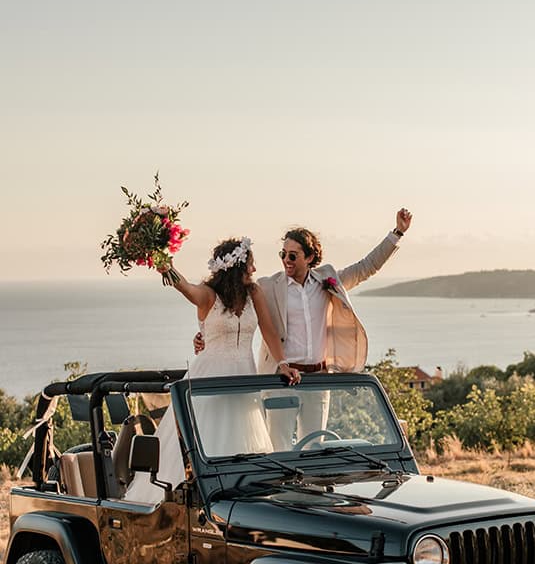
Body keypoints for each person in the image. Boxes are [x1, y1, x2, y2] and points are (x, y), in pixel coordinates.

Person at [194, 209, 413, 449]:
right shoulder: (267, 287)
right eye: (283, 254)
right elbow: (228, 304)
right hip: (280, 381)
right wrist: (206, 334)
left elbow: (366, 267)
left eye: (292, 256)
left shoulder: (326, 281)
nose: (286, 260)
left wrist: (397, 233)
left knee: (314, 449)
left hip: (318, 382)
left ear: (309, 258)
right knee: (279, 450)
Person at [125, 237, 300, 503]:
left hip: (243, 376)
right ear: (236, 267)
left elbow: (269, 332)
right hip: (210, 376)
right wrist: (165, 266)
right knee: (208, 436)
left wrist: (282, 363)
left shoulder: (254, 294)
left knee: (242, 437)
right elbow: (185, 288)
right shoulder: (208, 295)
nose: (253, 270)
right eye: (250, 264)